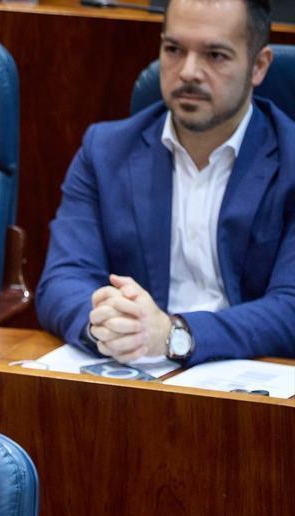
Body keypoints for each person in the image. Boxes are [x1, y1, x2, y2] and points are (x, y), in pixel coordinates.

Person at [36, 0, 294, 365]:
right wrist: (106, 325)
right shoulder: (105, 151)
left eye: (215, 55)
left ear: (258, 66)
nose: (188, 72)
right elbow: (63, 279)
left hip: (251, 385)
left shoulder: (290, 160)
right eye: (174, 50)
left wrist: (175, 334)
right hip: (133, 377)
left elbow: (290, 308)